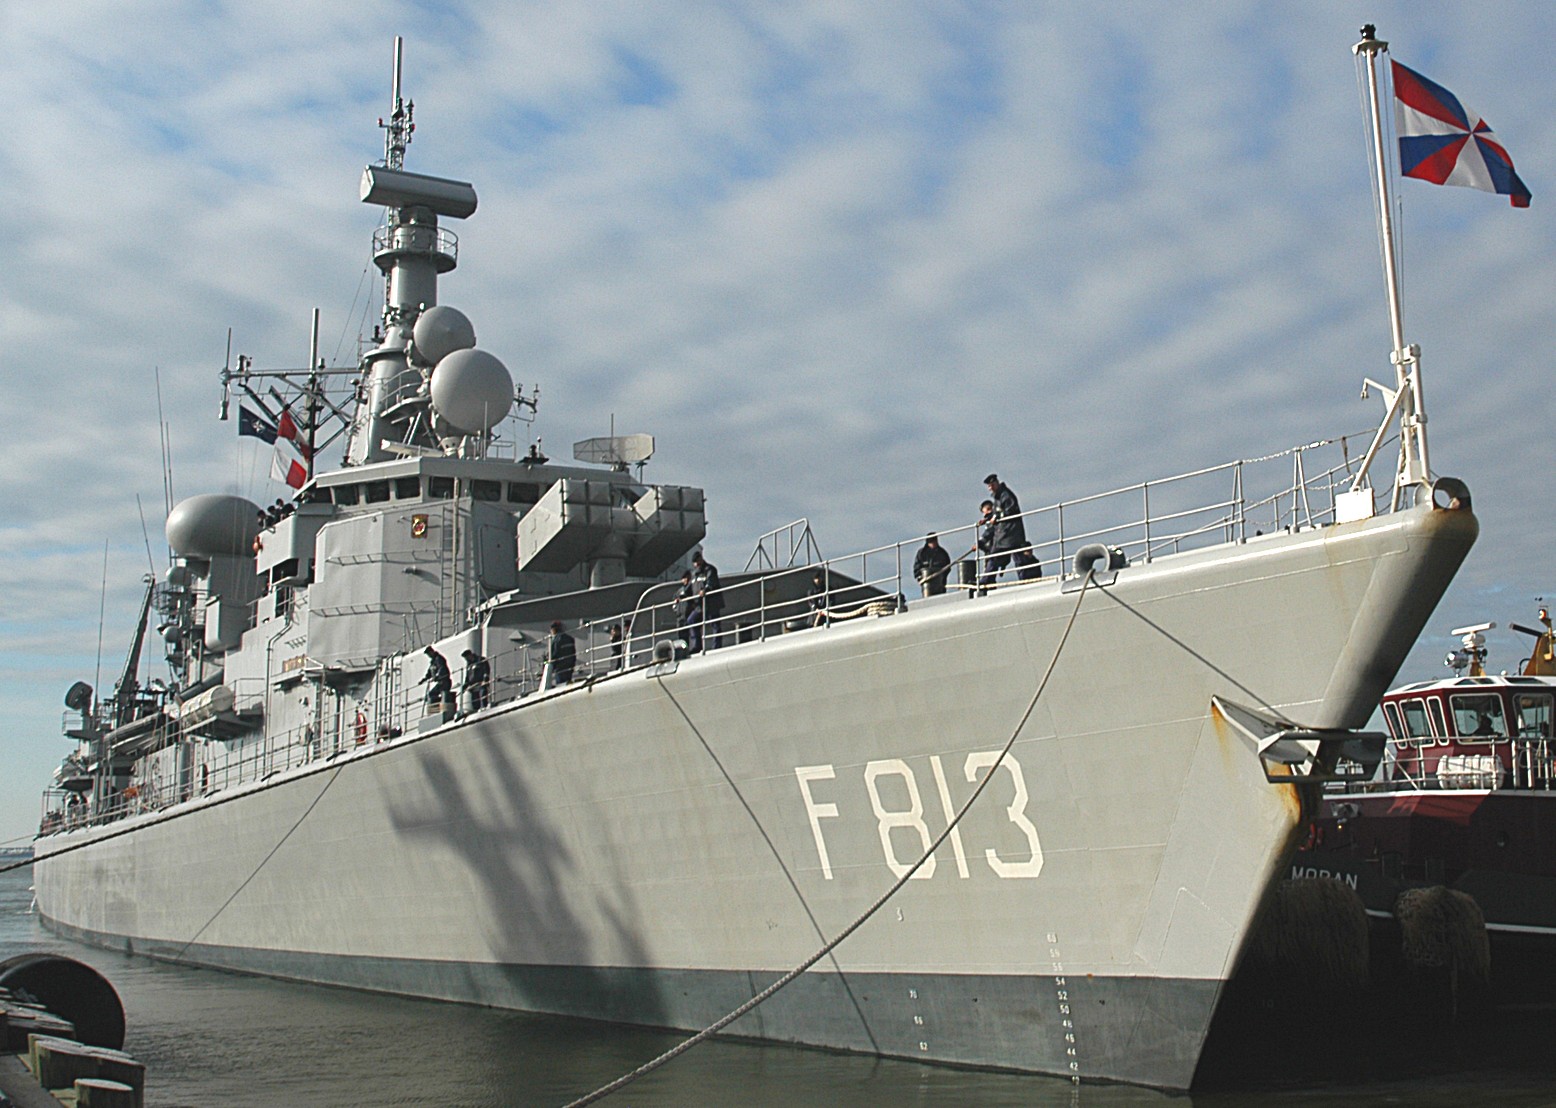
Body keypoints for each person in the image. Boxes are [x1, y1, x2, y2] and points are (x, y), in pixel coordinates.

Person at [981, 474, 1041, 587]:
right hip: (1003, 534)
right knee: (994, 558)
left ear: (996, 483)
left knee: (1018, 558)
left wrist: (996, 517)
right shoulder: (997, 498)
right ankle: (986, 581)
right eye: (989, 486)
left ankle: (1025, 580)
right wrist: (988, 518)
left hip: (1012, 533)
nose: (991, 488)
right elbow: (997, 513)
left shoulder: (1006, 495)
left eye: (992, 485)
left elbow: (1011, 510)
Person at [692, 551, 724, 649]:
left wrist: (705, 590)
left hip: (712, 602)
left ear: (700, 559)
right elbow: (692, 587)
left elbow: (711, 583)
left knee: (715, 625)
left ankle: (716, 646)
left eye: (697, 561)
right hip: (700, 605)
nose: (696, 564)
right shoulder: (695, 574)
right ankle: (697, 646)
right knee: (692, 620)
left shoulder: (710, 570)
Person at [676, 570, 703, 654]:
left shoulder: (692, 587)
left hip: (688, 614)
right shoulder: (679, 591)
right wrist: (676, 608)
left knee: (690, 633)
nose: (685, 580)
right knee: (682, 638)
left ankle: (693, 648)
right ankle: (684, 650)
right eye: (684, 578)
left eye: (686, 577)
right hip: (680, 616)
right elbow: (675, 601)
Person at [545, 621, 576, 688]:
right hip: (569, 666)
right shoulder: (570, 638)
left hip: (560, 668)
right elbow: (573, 653)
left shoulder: (556, 640)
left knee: (560, 685)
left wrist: (548, 663)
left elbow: (554, 654)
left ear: (553, 629)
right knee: (567, 683)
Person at [461, 648, 490, 713]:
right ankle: (476, 710)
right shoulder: (469, 664)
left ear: (470, 655)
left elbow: (486, 670)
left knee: (482, 696)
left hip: (481, 683)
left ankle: (483, 708)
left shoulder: (481, 660)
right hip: (473, 686)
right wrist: (465, 685)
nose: (466, 659)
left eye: (466, 657)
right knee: (475, 701)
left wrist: (485, 679)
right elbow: (468, 676)